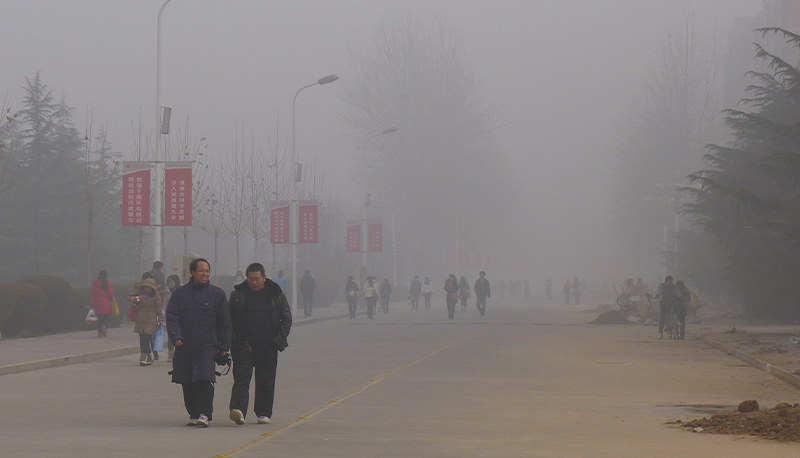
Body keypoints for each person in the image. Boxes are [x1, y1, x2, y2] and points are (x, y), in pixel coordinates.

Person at [166, 258, 232, 427]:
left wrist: (224, 346)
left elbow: (224, 322)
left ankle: (205, 414)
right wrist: (175, 336)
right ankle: (194, 413)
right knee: (187, 380)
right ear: (193, 273)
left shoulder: (217, 294)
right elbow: (172, 316)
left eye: (207, 271)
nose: (205, 274)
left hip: (207, 345)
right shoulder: (180, 294)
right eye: (201, 270)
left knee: (205, 378)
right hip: (185, 344)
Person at [228, 262, 292, 426]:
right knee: (241, 379)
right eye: (251, 279)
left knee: (266, 380)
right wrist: (232, 341)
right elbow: (229, 320)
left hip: (267, 345)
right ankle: (238, 410)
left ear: (264, 278)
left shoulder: (275, 294)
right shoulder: (237, 295)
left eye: (257, 279)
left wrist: (278, 340)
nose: (254, 282)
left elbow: (286, 318)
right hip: (244, 345)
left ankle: (263, 412)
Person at [132, 278, 163, 366]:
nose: (147, 289)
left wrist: (161, 319)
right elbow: (132, 297)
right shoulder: (140, 293)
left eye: (149, 288)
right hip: (140, 317)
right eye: (146, 287)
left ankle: (149, 353)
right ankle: (146, 355)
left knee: (148, 337)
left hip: (151, 318)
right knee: (142, 337)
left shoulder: (156, 295)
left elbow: (158, 308)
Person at [89, 270, 115, 338]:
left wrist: (91, 305)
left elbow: (93, 295)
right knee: (106, 318)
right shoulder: (108, 283)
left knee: (99, 318)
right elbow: (111, 294)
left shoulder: (95, 283)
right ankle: (105, 326)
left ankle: (99, 332)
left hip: (97, 303)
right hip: (106, 303)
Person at [657, 275, 680, 340]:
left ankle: (677, 322)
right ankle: (660, 333)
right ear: (666, 282)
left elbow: (677, 293)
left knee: (678, 311)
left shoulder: (673, 287)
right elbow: (660, 294)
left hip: (672, 303)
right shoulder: (661, 287)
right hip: (664, 303)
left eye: (671, 282)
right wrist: (661, 301)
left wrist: (680, 297)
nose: (671, 283)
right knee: (662, 318)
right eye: (670, 282)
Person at [165, 274, 181, 362]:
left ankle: (180, 353)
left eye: (171, 281)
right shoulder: (166, 291)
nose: (170, 283)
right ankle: (171, 354)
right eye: (168, 281)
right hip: (170, 315)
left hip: (181, 315)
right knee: (170, 334)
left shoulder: (182, 290)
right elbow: (164, 304)